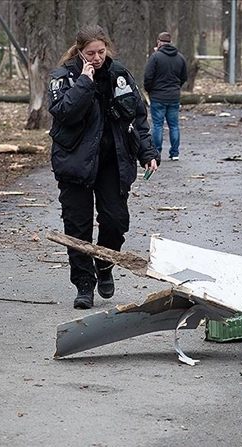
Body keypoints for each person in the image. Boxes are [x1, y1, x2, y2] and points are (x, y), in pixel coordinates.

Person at [48, 25, 159, 309]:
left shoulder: (119, 75)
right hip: (76, 163)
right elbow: (64, 113)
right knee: (77, 227)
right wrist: (84, 82)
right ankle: (84, 285)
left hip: (112, 163)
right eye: (90, 53)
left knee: (115, 220)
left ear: (107, 48)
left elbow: (137, 117)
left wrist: (148, 152)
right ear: (79, 51)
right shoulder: (64, 77)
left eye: (101, 52)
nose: (96, 58)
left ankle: (105, 263)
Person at [143, 31, 188, 162]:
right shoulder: (180, 58)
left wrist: (149, 89)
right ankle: (175, 153)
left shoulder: (155, 57)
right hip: (174, 96)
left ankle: (157, 152)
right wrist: (176, 87)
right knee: (174, 125)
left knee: (157, 125)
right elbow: (184, 77)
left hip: (158, 96)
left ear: (159, 42)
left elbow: (148, 76)